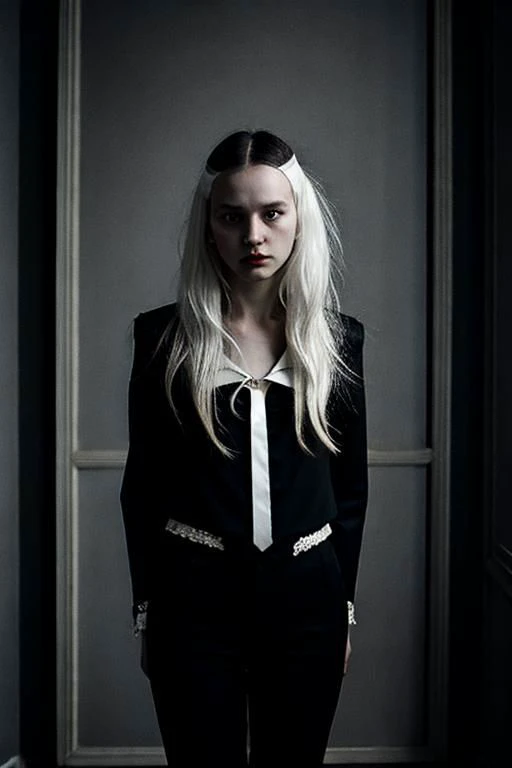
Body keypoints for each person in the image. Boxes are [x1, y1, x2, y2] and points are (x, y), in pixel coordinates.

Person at [120, 129, 368, 768]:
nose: (253, 234)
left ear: (297, 220)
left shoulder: (339, 342)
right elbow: (142, 489)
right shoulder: (162, 339)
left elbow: (350, 492)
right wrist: (148, 610)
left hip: (307, 601)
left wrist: (341, 608)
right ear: (209, 227)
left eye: (271, 213)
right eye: (232, 216)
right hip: (192, 602)